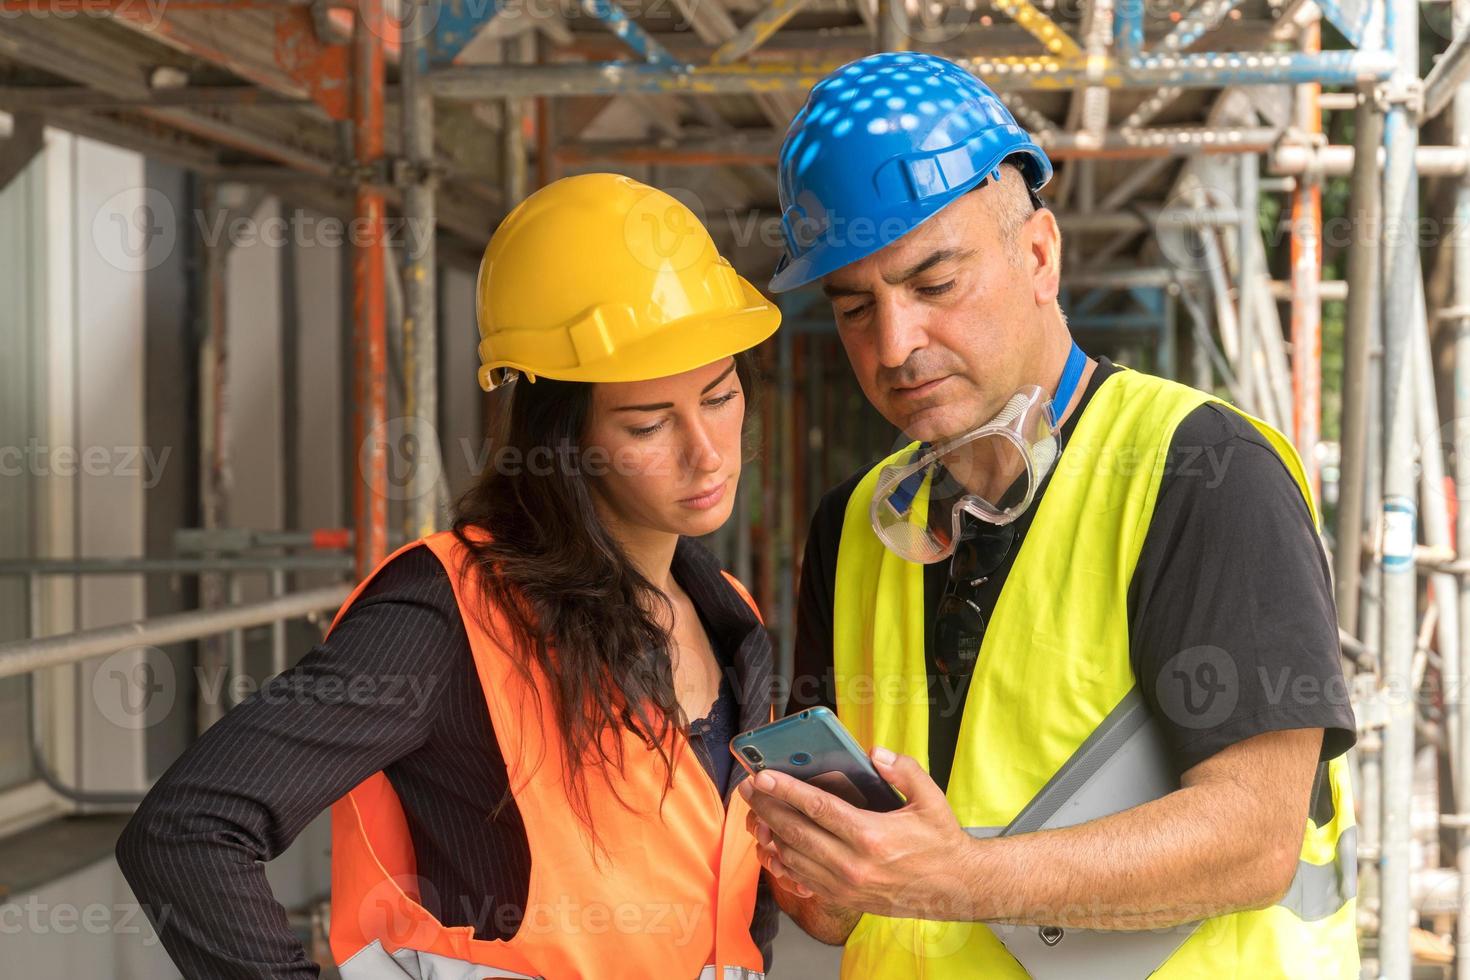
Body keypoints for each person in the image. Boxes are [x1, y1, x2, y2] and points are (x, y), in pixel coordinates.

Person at [740, 52, 1359, 977]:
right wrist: (819, 865)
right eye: (855, 307)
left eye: (934, 283)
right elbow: (837, 908)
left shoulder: (1200, 473)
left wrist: (957, 879)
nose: (895, 346)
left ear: (1039, 254)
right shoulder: (854, 525)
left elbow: (1254, 838)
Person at [117, 173, 781, 980]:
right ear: (562, 439)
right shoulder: (445, 618)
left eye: (720, 396)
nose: (707, 453)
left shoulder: (728, 617)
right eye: (648, 423)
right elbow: (187, 832)